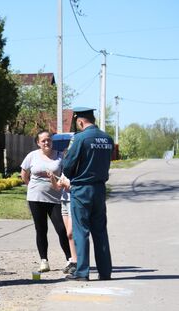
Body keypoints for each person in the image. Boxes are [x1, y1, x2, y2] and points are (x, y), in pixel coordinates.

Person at [62, 107, 114, 281]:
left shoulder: (80, 138)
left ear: (80, 121)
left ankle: (82, 272)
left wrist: (69, 174)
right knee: (100, 231)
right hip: (99, 189)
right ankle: (105, 271)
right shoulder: (107, 138)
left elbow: (68, 166)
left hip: (82, 190)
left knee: (81, 231)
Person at [20, 131, 71, 273]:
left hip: (55, 198)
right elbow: (24, 174)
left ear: (52, 141)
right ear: (38, 143)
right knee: (41, 229)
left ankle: (69, 259)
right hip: (35, 198)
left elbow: (65, 174)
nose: (46, 143)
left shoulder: (60, 156)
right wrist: (31, 186)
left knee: (61, 229)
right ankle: (44, 261)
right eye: (43, 141)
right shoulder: (32, 156)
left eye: (48, 140)